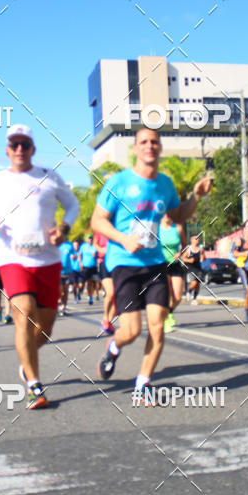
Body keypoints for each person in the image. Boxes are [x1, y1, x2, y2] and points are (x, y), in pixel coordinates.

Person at [92, 126, 212, 400]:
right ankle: (113, 348)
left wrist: (196, 196)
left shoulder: (165, 184)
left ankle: (143, 384)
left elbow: (178, 215)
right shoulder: (119, 182)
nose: (149, 146)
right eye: (144, 141)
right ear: (136, 148)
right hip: (124, 263)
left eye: (154, 142)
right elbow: (97, 221)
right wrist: (123, 239)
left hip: (155, 263)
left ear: (159, 147)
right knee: (131, 331)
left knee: (157, 326)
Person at [0, 124, 79, 409]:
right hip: (13, 259)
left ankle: (26, 362)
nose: (20, 149)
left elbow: (73, 206)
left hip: (48, 260)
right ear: (7, 150)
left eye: (25, 144)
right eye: (15, 144)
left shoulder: (49, 176)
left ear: (33, 149)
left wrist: (64, 228)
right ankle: (35, 386)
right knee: (23, 313)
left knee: (45, 330)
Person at [159, 215, 187, 332]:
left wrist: (180, 253)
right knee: (167, 293)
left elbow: (185, 246)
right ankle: (165, 320)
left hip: (175, 264)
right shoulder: (156, 228)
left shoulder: (178, 228)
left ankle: (169, 312)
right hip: (161, 264)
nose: (167, 215)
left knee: (178, 296)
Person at [95, 230, 115, 334]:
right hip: (104, 262)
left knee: (118, 295)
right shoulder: (100, 229)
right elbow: (95, 244)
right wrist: (101, 250)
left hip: (117, 263)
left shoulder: (118, 227)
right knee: (111, 292)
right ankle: (106, 317)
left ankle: (109, 322)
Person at [183, 235, 205, 304]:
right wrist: (189, 260)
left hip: (198, 268)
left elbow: (202, 258)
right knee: (194, 282)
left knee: (197, 284)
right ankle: (189, 291)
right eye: (196, 239)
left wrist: (202, 256)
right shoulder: (188, 249)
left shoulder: (200, 249)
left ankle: (194, 299)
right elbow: (183, 258)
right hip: (191, 268)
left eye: (198, 239)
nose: (197, 240)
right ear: (191, 240)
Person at [79, 235, 99, 304]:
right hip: (85, 267)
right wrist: (80, 263)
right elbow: (80, 255)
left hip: (93, 267)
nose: (90, 240)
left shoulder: (95, 246)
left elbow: (99, 255)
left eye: (91, 238)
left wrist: (96, 256)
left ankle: (90, 297)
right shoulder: (83, 246)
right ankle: (80, 291)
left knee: (91, 283)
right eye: (89, 238)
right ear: (87, 239)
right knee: (82, 284)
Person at [58, 238, 76, 316]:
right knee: (60, 291)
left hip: (67, 272)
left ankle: (63, 307)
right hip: (58, 271)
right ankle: (59, 302)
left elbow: (74, 254)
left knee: (65, 291)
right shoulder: (56, 244)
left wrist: (74, 256)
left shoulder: (69, 245)